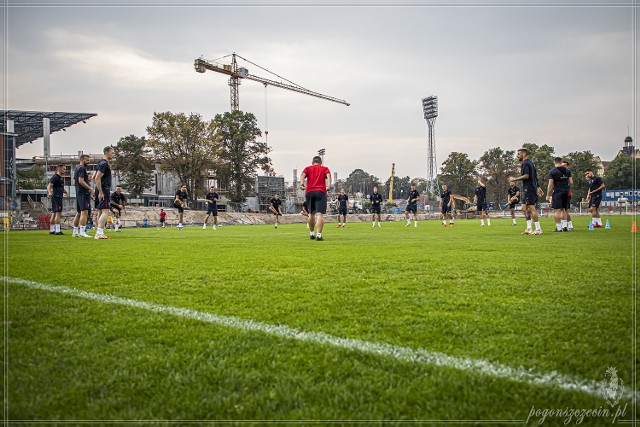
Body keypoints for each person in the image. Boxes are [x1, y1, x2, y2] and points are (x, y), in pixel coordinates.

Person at [509, 147, 543, 235]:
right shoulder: (531, 163)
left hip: (530, 189)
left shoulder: (526, 163)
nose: (517, 156)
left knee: (531, 208)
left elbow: (527, 176)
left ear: (524, 154)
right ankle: (529, 228)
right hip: (528, 188)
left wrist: (515, 179)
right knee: (524, 208)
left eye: (519, 154)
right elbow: (535, 176)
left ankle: (538, 229)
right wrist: (538, 187)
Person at [300, 155, 332, 241]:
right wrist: (329, 185)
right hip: (321, 192)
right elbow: (328, 175)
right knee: (319, 214)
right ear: (320, 162)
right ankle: (318, 235)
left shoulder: (308, 168)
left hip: (309, 192)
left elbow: (303, 174)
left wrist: (302, 184)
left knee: (311, 214)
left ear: (312, 162)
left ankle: (311, 234)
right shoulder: (324, 168)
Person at [93, 146, 115, 240]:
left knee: (100, 211)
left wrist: (97, 189)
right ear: (106, 152)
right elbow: (97, 178)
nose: (113, 154)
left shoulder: (100, 162)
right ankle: (99, 233)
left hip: (100, 188)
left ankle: (99, 232)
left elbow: (94, 177)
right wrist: (101, 192)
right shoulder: (104, 164)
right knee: (105, 211)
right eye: (112, 153)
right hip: (103, 189)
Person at [546, 157, 573, 232]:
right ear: (561, 162)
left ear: (554, 162)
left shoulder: (552, 171)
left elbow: (550, 185)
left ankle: (558, 228)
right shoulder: (567, 171)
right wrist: (568, 188)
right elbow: (571, 182)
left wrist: (548, 195)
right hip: (566, 191)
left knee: (557, 210)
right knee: (564, 209)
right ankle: (565, 226)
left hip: (558, 191)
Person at [72, 154, 94, 238]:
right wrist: (90, 188)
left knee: (78, 213)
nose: (89, 162)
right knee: (84, 212)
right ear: (82, 160)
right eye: (87, 160)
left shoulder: (77, 168)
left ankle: (75, 232)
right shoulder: (81, 168)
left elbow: (75, 181)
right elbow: (80, 181)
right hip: (83, 193)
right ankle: (82, 232)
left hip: (79, 193)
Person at [47, 164, 68, 235]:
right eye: (64, 169)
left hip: (59, 196)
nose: (65, 170)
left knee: (54, 213)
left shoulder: (60, 178)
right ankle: (58, 230)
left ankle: (52, 230)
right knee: (58, 213)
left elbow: (60, 187)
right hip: (57, 197)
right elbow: (49, 185)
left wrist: (66, 192)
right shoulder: (55, 177)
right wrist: (49, 192)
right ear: (59, 169)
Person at [561, 160, 574, 230]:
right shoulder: (563, 172)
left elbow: (571, 182)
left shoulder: (567, 172)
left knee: (564, 209)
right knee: (563, 209)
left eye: (565, 165)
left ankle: (566, 225)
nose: (563, 166)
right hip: (565, 192)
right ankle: (569, 225)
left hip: (565, 192)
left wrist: (569, 190)